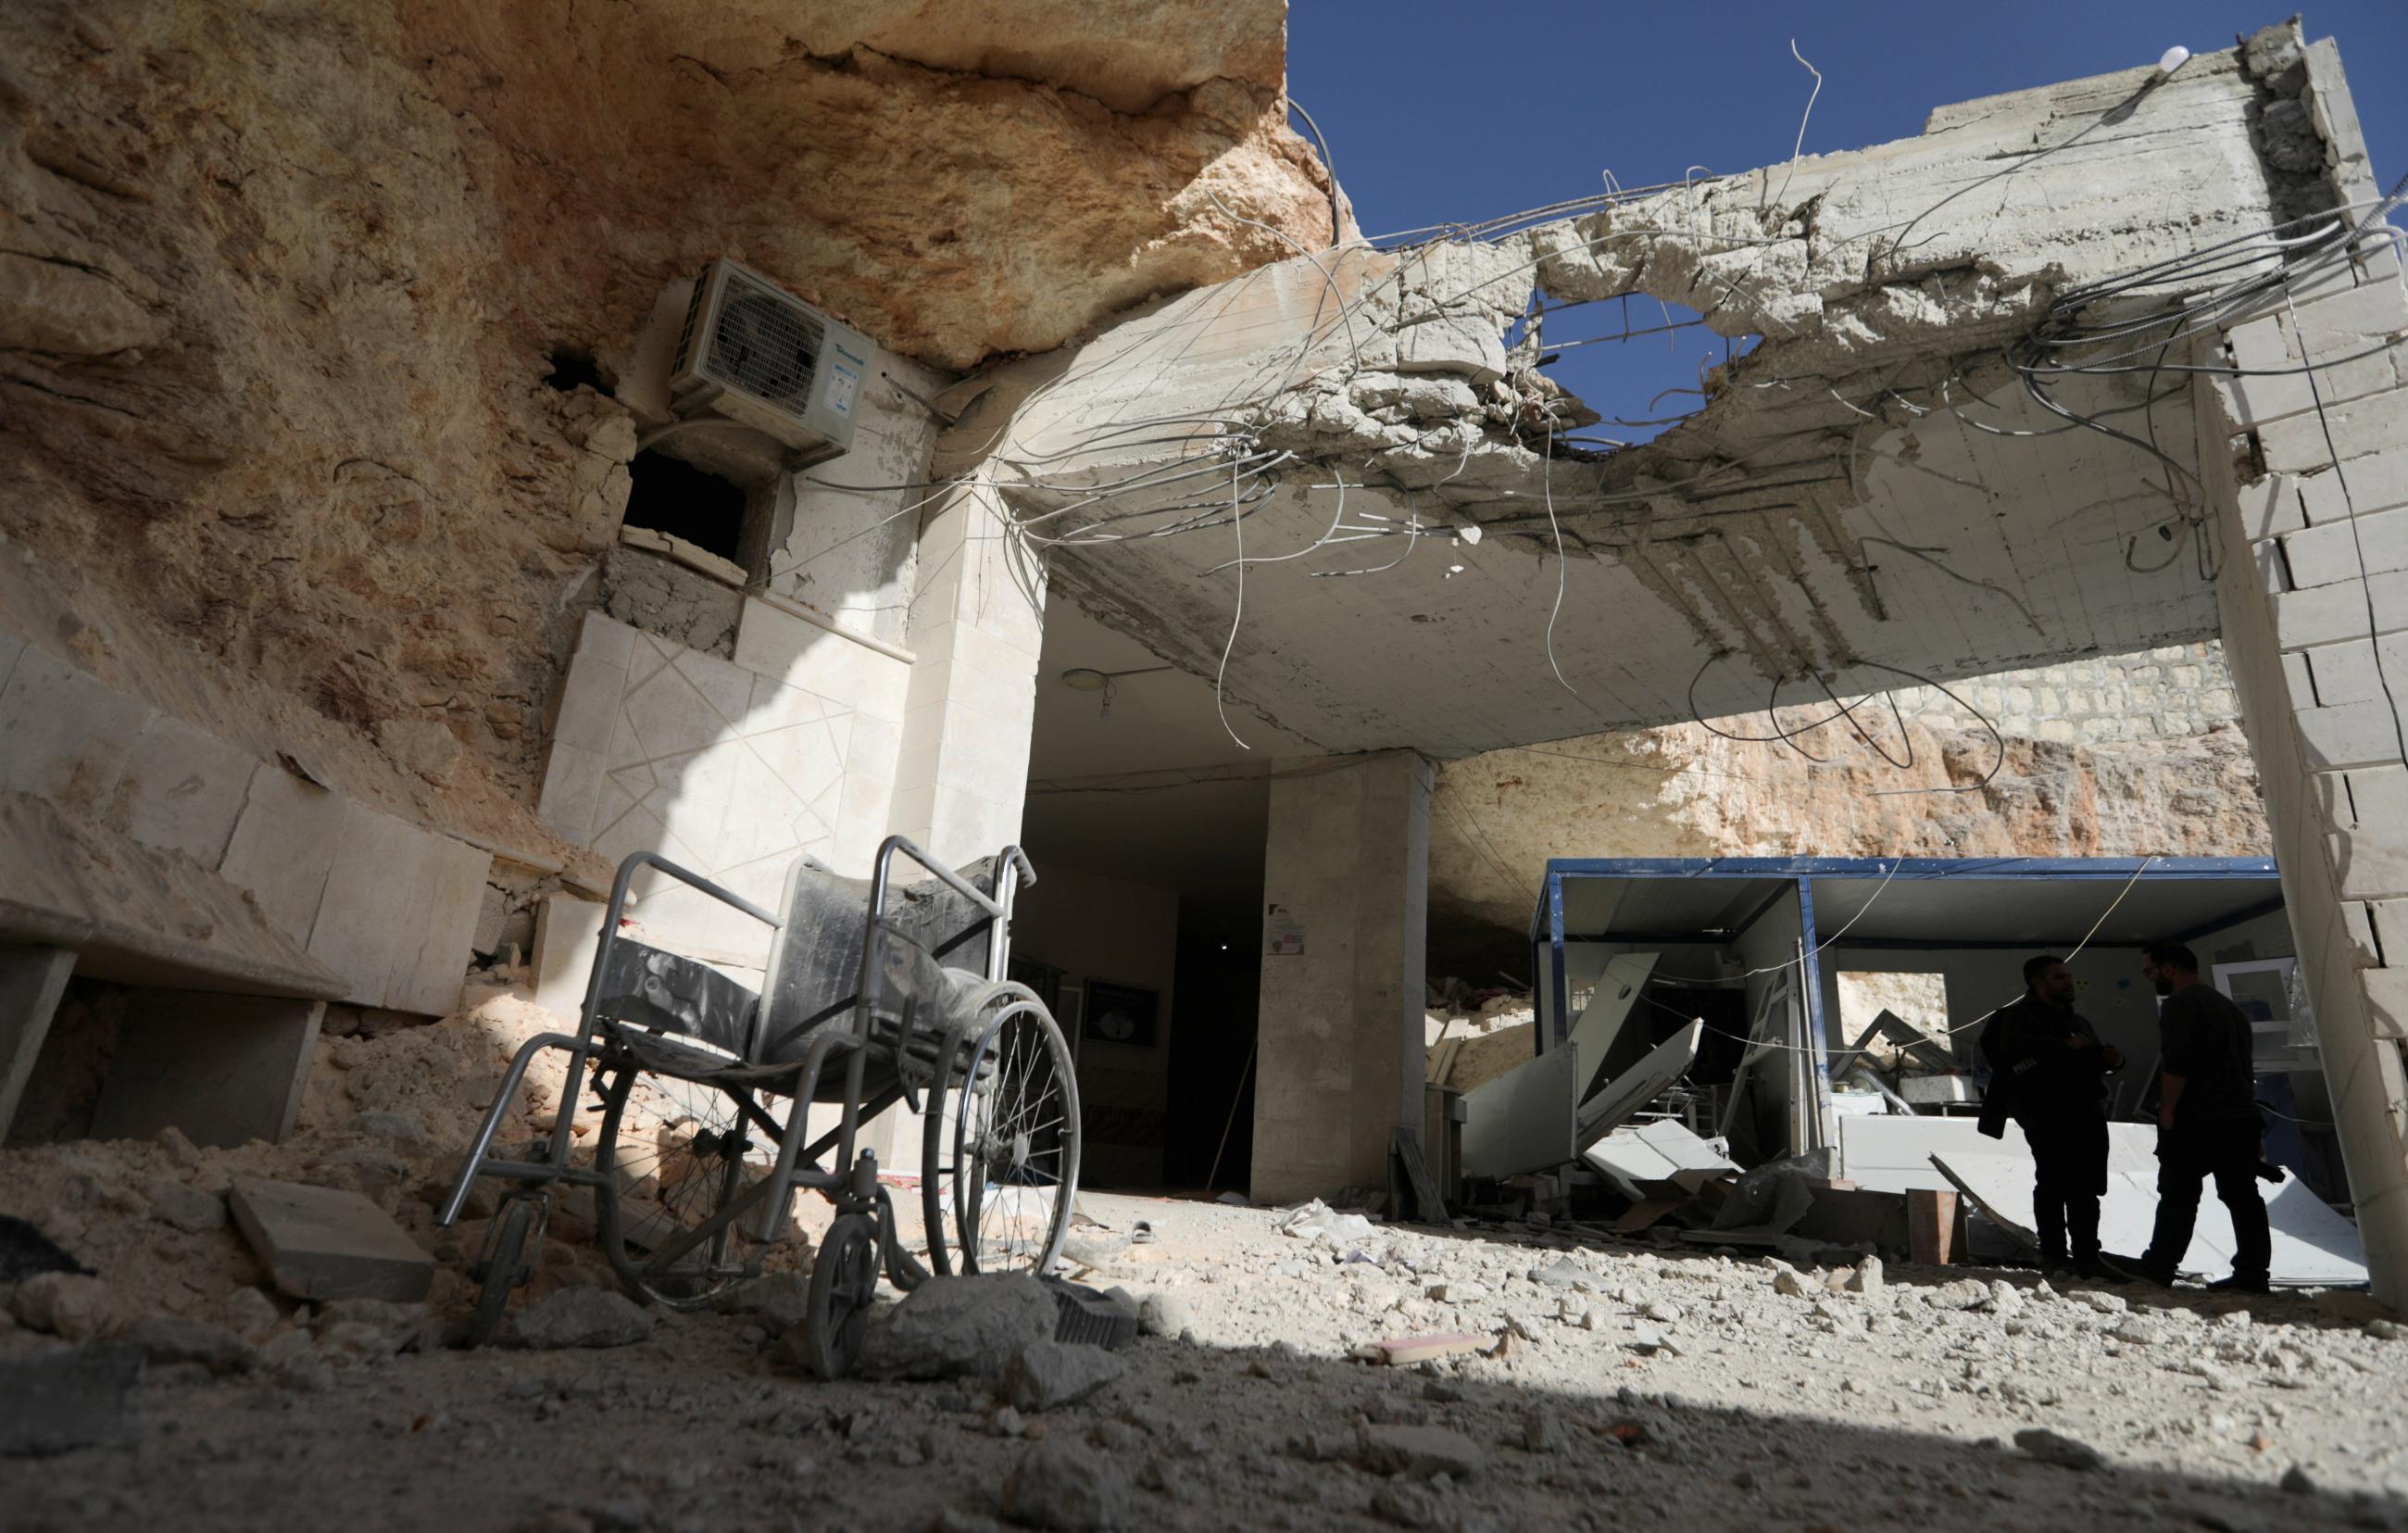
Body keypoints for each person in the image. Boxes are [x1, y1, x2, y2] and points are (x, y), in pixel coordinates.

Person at [2137, 941, 2272, 1293]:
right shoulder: (2229, 1008)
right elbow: (2243, 1069)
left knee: (2178, 1195)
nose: (2150, 979)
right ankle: (2253, 1274)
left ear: (2169, 969)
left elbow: (2176, 1063)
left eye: (2150, 972)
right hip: (2239, 1117)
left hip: (2198, 1118)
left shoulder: (2180, 1005)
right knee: (2244, 1197)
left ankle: (2160, 1266)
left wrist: (2166, 1109)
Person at [1979, 955, 2124, 1278]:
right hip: (2044, 1113)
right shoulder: (2012, 1019)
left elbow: (2095, 1060)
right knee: (2054, 1183)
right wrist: (2062, 1047)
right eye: (2059, 977)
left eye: (2069, 976)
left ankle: (2087, 1256)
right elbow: (2007, 1058)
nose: (2068, 982)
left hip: (2086, 1110)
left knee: (2087, 1187)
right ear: (2037, 982)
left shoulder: (2078, 1022)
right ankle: (2055, 1257)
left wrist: (2112, 1059)